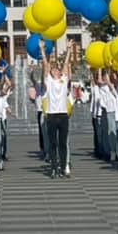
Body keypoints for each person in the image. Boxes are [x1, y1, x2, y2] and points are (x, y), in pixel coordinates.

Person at [42, 41, 73, 178]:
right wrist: (42, 50)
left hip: (63, 115)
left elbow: (66, 65)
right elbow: (45, 64)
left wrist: (68, 49)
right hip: (51, 115)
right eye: (53, 69)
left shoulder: (64, 80)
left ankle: (63, 167)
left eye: (57, 69)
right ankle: (53, 167)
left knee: (63, 143)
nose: (55, 70)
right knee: (53, 143)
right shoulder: (48, 81)